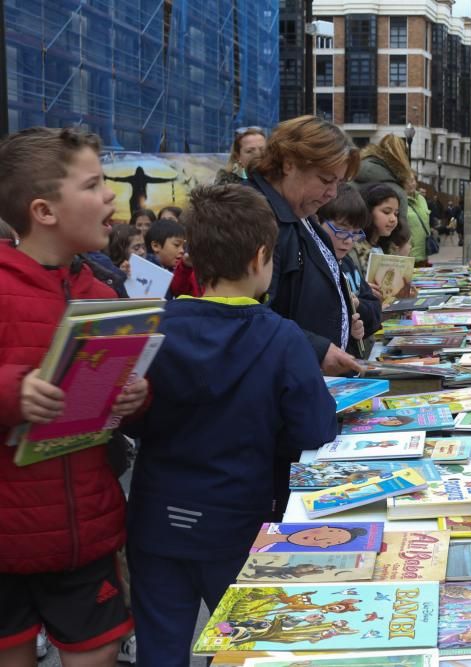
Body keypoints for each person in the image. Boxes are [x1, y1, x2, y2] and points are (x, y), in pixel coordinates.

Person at [123, 184, 339, 666]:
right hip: (238, 521)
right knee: (247, 647)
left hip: (156, 517)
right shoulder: (281, 336)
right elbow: (315, 430)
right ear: (263, 255)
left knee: (159, 647)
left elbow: (132, 415)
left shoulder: (154, 324)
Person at [0, 126, 149, 666]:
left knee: (100, 651)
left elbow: (115, 404)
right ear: (44, 210)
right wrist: (14, 392)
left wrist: (136, 394)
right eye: (93, 185)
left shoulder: (104, 293)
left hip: (86, 534)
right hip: (8, 537)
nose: (111, 195)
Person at [247, 115, 362, 378]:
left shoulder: (296, 210)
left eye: (338, 183)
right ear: (289, 164)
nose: (332, 193)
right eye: (325, 180)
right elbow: (249, 314)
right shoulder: (256, 215)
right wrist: (317, 349)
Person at [317, 188, 382, 359]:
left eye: (355, 233)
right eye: (341, 230)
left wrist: (357, 304)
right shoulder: (316, 266)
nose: (348, 240)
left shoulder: (347, 263)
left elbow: (375, 311)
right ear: (318, 221)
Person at [354, 134, 412, 227]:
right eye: (386, 212)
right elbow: (402, 233)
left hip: (347, 237)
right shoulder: (397, 191)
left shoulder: (351, 177)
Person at [351, 183, 401, 281]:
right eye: (386, 212)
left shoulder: (389, 248)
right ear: (367, 211)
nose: (393, 219)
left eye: (396, 214)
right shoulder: (352, 249)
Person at [406, 175, 433, 266]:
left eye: (412, 180)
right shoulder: (400, 200)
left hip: (424, 253)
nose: (410, 184)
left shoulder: (421, 199)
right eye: (406, 182)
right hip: (410, 255)